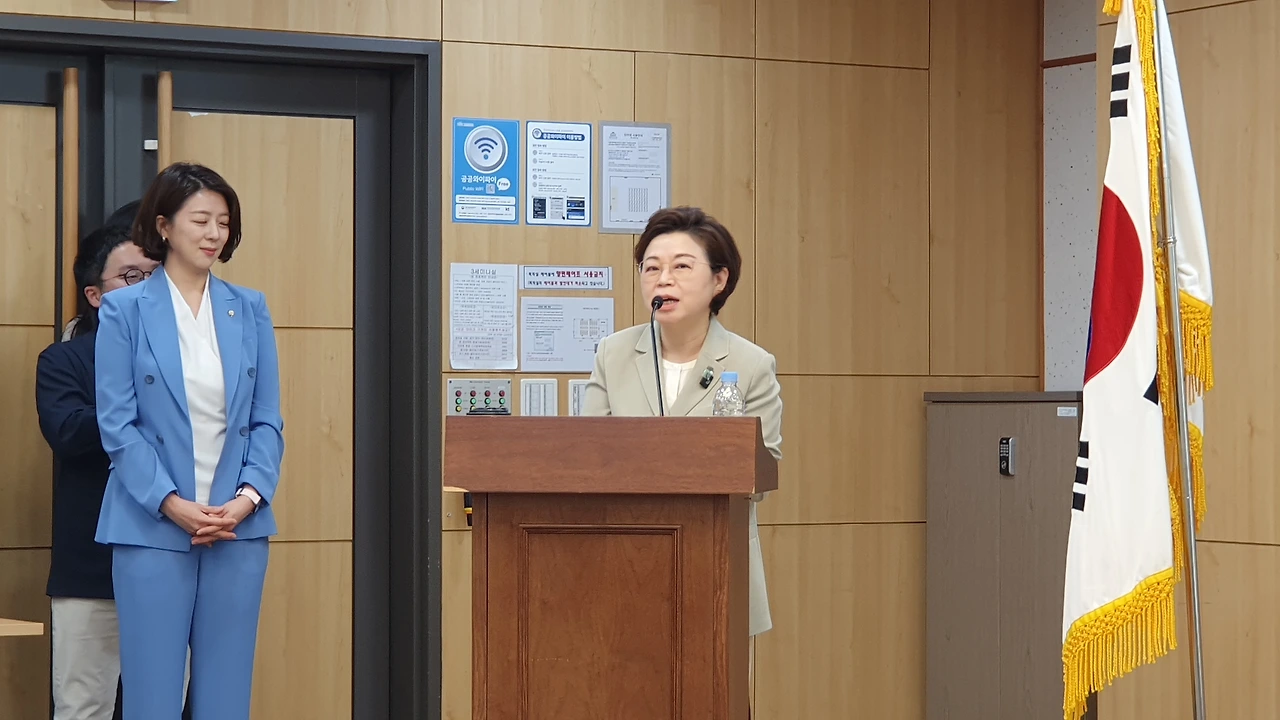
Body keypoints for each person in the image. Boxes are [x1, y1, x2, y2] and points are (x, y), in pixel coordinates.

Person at [94, 162, 284, 720]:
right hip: (151, 524)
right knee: (152, 695)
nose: (214, 234)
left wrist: (247, 499)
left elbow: (267, 420)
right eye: (201, 220)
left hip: (236, 527)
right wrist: (171, 503)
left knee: (226, 695)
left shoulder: (250, 307)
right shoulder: (125, 310)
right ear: (164, 225)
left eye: (223, 222)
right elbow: (117, 425)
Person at [582, 206, 783, 710]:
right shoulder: (613, 354)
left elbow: (762, 469)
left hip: (715, 568)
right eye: (651, 267)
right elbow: (586, 452)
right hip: (623, 562)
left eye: (681, 266)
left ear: (719, 280)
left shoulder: (750, 364)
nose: (662, 278)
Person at [36, 213, 158, 720]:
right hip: (89, 565)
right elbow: (67, 433)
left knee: (165, 704)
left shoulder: (189, 360)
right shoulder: (64, 361)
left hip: (167, 559)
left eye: (154, 275)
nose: (147, 287)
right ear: (95, 296)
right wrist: (134, 410)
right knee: (82, 706)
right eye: (131, 277)